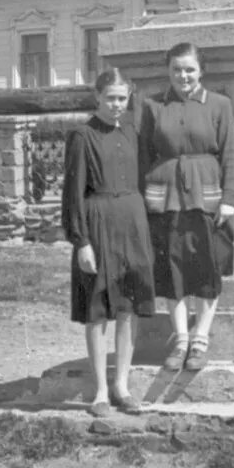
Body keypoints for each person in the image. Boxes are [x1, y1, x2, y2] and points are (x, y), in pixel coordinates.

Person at [139, 42, 234, 372]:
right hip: (165, 198)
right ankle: (180, 338)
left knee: (206, 269)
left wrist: (229, 199)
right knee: (173, 270)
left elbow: (231, 154)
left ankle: (200, 339)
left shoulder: (219, 105)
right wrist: (141, 199)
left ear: (201, 71)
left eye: (189, 69)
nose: (183, 76)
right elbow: (143, 155)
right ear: (168, 72)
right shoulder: (152, 106)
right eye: (176, 70)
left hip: (206, 196)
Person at [61, 68, 155, 416]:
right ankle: (100, 391)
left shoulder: (133, 131)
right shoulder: (82, 135)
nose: (117, 105)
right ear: (97, 97)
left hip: (132, 223)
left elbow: (145, 179)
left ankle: (122, 386)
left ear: (129, 97)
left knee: (128, 308)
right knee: (97, 309)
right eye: (110, 98)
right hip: (97, 224)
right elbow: (72, 193)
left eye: (122, 98)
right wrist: (81, 241)